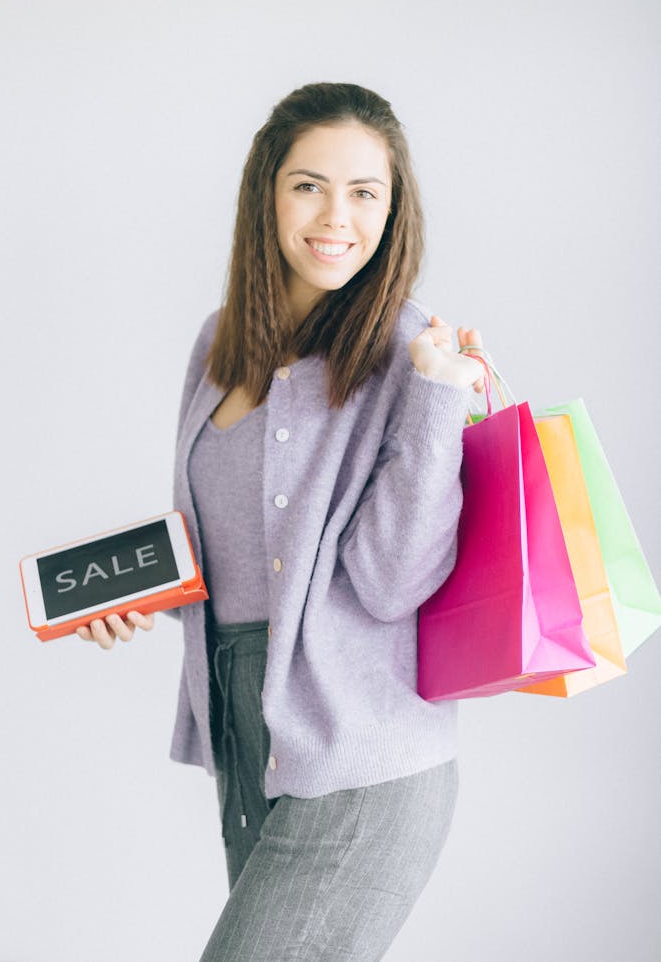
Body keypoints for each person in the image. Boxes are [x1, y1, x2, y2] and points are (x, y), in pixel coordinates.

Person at [77, 82, 485, 961]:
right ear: (266, 193)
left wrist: (437, 400)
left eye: (365, 192)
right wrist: (142, 593)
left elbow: (390, 584)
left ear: (393, 208)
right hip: (248, 735)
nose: (336, 215)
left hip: (361, 756)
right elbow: (233, 537)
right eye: (308, 185)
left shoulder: (408, 351)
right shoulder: (220, 342)